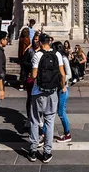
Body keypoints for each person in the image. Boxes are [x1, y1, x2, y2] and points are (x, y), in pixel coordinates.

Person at [28, 33, 65, 163]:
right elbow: (62, 74)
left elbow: (33, 75)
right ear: (50, 41)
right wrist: (63, 87)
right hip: (52, 92)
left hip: (38, 92)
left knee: (34, 121)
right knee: (49, 121)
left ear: (40, 42)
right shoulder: (58, 54)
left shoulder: (37, 55)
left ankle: (33, 150)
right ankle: (47, 152)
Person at [51, 41, 72, 142]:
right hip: (57, 88)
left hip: (63, 88)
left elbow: (69, 74)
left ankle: (67, 134)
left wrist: (60, 79)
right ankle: (44, 134)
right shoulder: (56, 58)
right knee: (52, 111)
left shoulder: (64, 58)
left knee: (61, 112)